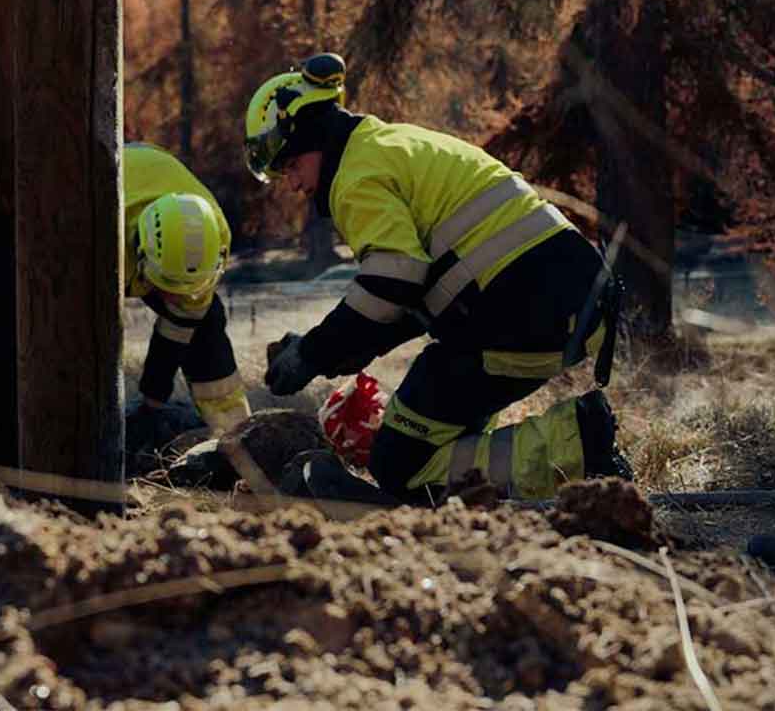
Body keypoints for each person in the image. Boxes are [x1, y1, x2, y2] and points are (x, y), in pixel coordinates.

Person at [247, 53, 631, 503]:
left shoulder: (354, 178)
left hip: (524, 311)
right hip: (544, 303)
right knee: (430, 432)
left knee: (402, 464)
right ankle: (555, 457)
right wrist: (333, 349)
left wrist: (312, 352)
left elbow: (393, 281)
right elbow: (419, 293)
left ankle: (580, 444)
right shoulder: (385, 144)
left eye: (289, 165)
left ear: (310, 135)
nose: (292, 184)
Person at [123, 143, 251, 456]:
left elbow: (180, 328)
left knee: (206, 323)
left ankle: (238, 435)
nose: (178, 296)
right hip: (108, 184)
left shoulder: (213, 236)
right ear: (141, 258)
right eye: (168, 285)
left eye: (187, 287)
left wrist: (151, 401)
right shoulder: (104, 243)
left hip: (155, 175)